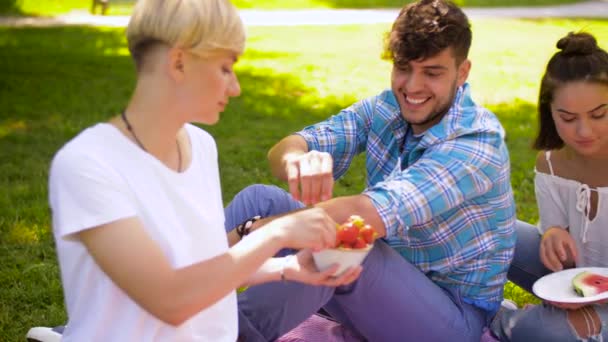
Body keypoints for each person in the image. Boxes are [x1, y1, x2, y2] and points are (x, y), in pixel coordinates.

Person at [27, 0, 362, 341]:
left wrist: (285, 268)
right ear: (178, 62)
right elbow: (169, 298)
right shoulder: (88, 164)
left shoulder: (201, 146)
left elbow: (205, 266)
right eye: (225, 68)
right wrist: (277, 233)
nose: (235, 87)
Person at [229, 0, 516, 341]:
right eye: (403, 68)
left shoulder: (475, 143)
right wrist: (297, 160)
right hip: (381, 288)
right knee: (261, 199)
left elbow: (363, 214)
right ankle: (183, 293)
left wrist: (256, 232)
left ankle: (225, 331)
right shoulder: (386, 107)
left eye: (432, 72)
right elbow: (287, 147)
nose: (412, 86)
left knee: (349, 243)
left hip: (452, 319)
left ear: (463, 72)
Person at [490, 32, 608, 342]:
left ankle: (498, 320)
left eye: (599, 115)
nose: (584, 131)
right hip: (575, 279)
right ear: (549, 112)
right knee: (487, 226)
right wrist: (554, 234)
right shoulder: (551, 163)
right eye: (568, 118)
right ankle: (478, 303)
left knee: (549, 331)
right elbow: (557, 236)